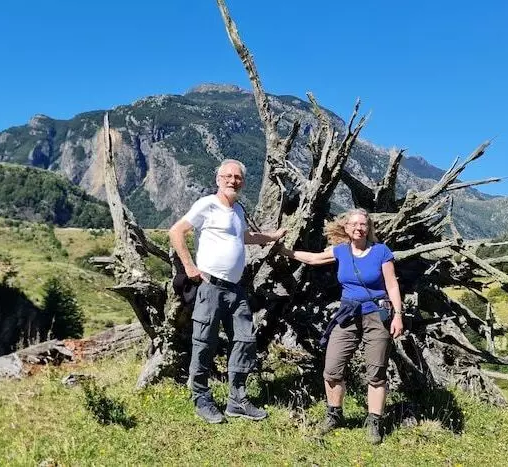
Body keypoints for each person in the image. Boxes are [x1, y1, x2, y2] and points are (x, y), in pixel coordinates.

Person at [169, 159, 286, 424]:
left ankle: (237, 400)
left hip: (236, 289)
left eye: (238, 177)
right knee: (204, 343)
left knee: (245, 340)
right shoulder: (206, 204)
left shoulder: (237, 211)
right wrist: (189, 266)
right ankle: (201, 398)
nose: (233, 181)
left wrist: (273, 236)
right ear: (218, 179)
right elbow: (176, 231)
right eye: (228, 176)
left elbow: (245, 237)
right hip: (210, 286)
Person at [277, 208, 403, 444]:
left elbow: (392, 285)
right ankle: (334, 414)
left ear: (369, 228)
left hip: (376, 314)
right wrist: (285, 251)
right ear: (346, 228)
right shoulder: (341, 251)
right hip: (347, 314)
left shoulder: (381, 252)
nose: (359, 228)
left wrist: (397, 315)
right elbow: (314, 259)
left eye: (363, 224)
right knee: (332, 369)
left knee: (376, 372)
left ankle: (374, 421)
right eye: (354, 224)